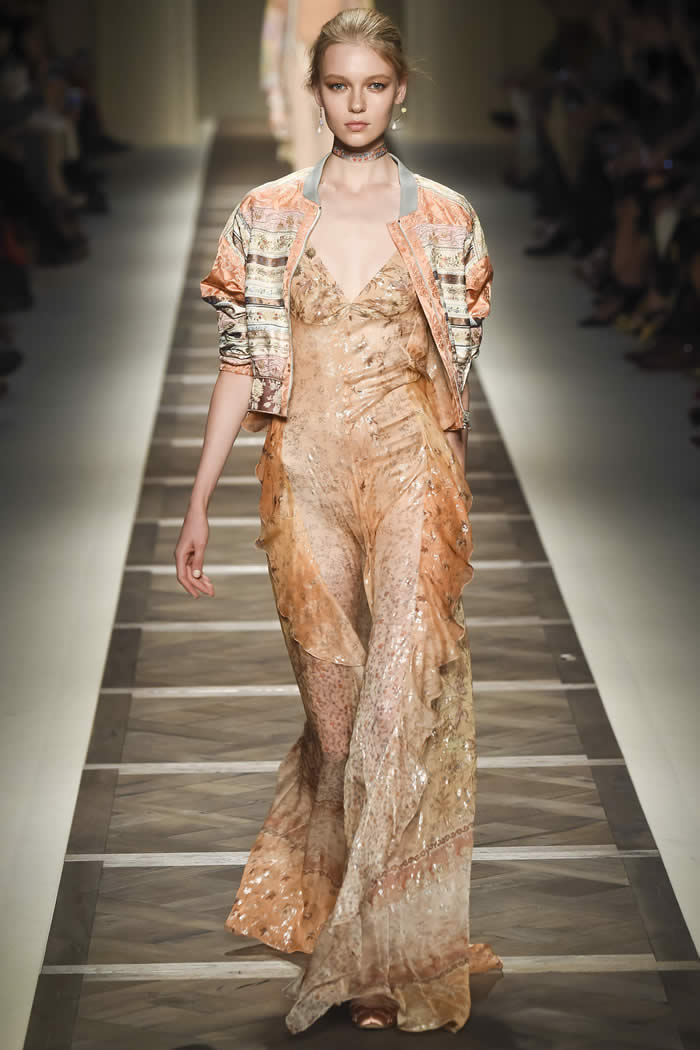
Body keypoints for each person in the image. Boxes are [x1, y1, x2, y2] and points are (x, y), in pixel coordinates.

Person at [176, 6, 503, 1035]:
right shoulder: (266, 215)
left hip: (412, 480)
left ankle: (373, 965)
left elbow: (452, 388)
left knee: (397, 718)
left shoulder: (446, 218)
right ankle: (353, 926)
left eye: (373, 84)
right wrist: (197, 499)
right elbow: (240, 361)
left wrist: (456, 514)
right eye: (338, 85)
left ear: (399, 91)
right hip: (303, 483)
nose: (356, 102)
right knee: (338, 723)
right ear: (315, 93)